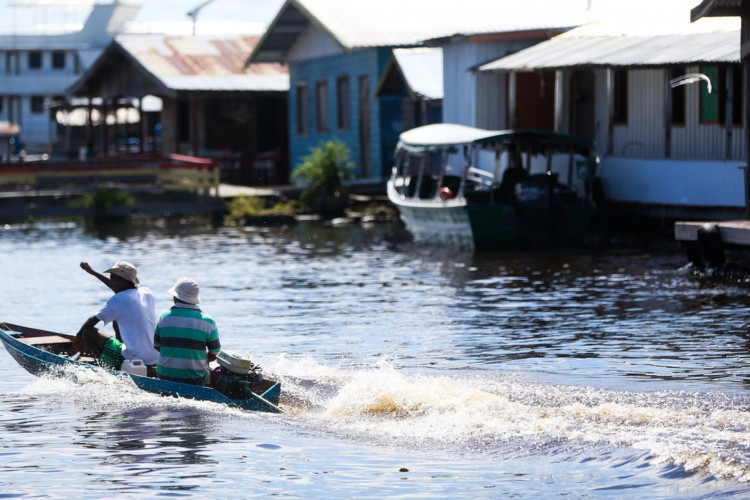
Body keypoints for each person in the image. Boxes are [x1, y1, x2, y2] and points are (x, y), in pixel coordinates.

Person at [73, 261, 159, 370]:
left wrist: (78, 336)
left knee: (88, 332)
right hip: (153, 356)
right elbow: (118, 288)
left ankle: (103, 368)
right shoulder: (147, 292)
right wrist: (92, 272)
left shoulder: (119, 299)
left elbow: (92, 320)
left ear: (123, 281)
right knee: (116, 317)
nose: (110, 281)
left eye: (113, 278)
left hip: (133, 356)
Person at [153, 277, 221, 386]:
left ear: (175, 297)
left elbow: (157, 346)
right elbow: (215, 353)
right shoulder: (208, 321)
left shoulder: (164, 317)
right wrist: (199, 359)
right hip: (195, 379)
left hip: (164, 375)